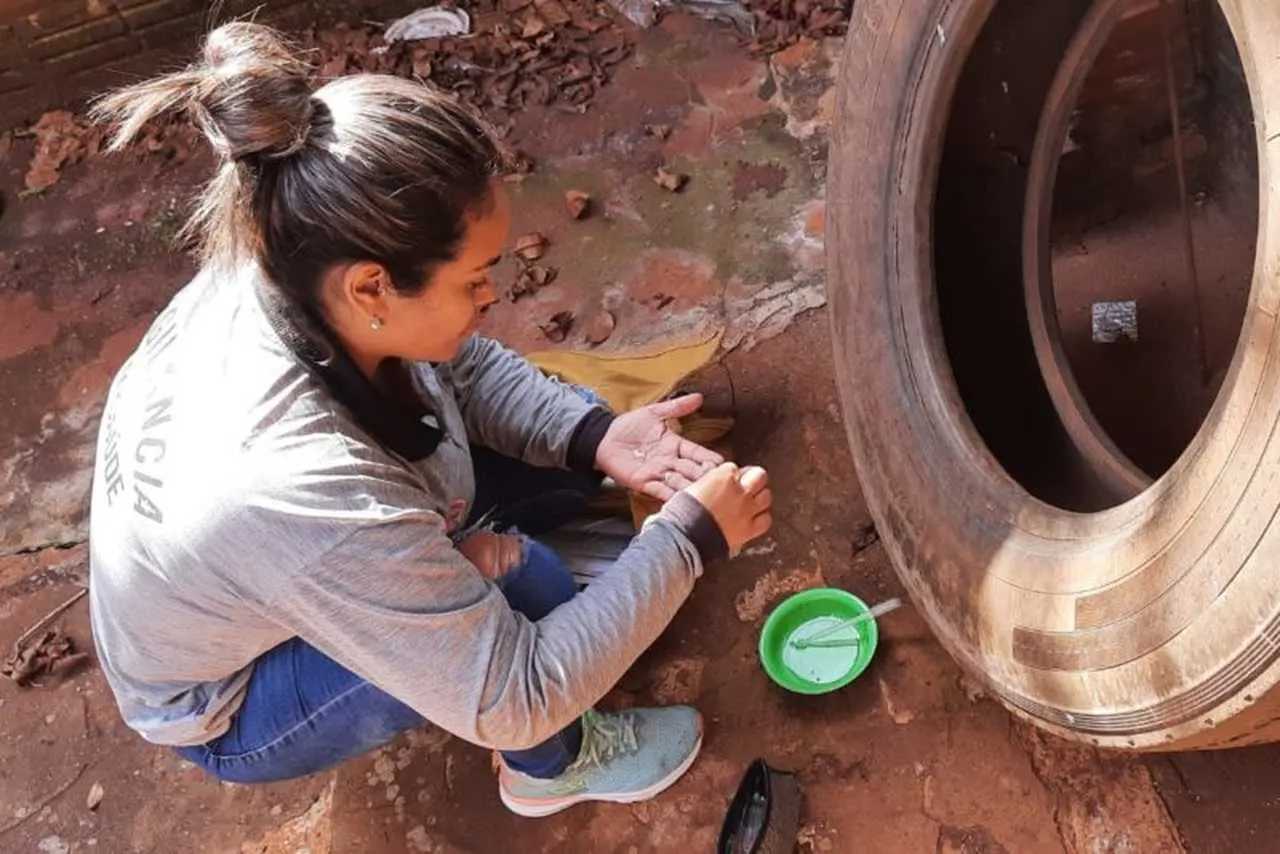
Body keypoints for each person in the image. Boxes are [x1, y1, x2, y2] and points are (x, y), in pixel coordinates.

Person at [86, 22, 773, 818]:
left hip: (277, 563)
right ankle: (552, 771)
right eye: (478, 280)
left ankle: (483, 558)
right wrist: (684, 542)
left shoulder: (282, 251)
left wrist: (595, 437)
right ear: (373, 289)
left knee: (568, 445)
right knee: (532, 583)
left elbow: (457, 366)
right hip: (235, 699)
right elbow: (517, 695)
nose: (493, 302)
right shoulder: (302, 496)